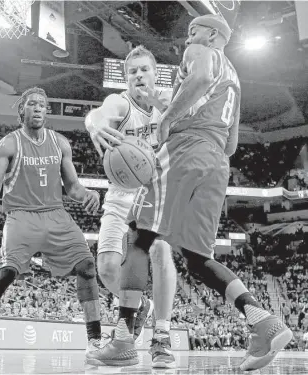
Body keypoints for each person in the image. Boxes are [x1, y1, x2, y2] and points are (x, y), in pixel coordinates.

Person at [87, 14, 293, 371]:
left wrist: (168, 121)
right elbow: (230, 144)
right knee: (197, 257)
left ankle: (123, 340)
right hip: (216, 164)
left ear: (213, 35)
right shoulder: (235, 79)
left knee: (140, 236)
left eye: (193, 32)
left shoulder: (202, 52)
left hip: (184, 152)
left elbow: (197, 77)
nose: (187, 38)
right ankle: (262, 321)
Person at [0, 87, 102, 363]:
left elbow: (73, 187)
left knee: (87, 266)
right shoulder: (9, 143)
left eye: (42, 104)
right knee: (5, 273)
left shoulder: (60, 143)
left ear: (47, 110)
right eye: (32, 104)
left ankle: (95, 341)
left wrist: (87, 194)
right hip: (20, 215)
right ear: (22, 111)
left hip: (56, 213)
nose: (38, 107)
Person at [85, 45, 177, 368]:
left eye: (144, 69)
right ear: (126, 79)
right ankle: (143, 306)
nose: (138, 75)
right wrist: (94, 123)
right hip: (121, 192)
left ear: (156, 73)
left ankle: (162, 339)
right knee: (107, 269)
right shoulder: (120, 103)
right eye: (132, 71)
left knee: (160, 252)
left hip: (155, 192)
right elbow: (99, 113)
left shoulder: (167, 103)